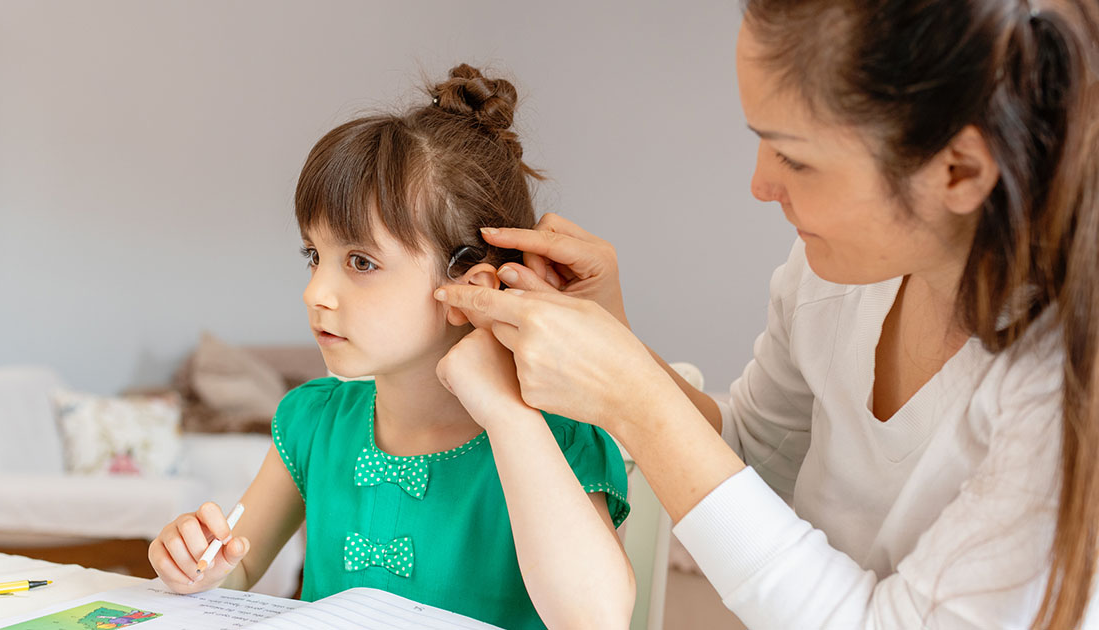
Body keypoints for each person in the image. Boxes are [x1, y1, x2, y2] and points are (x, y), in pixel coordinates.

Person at [434, 1, 1099, 628]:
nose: (760, 185)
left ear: (958, 171)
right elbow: (751, 462)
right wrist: (618, 348)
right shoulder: (837, 273)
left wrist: (633, 401)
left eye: (795, 157)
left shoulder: (1062, 393)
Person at [147, 64, 634, 630]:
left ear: (467, 293)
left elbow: (597, 619)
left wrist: (505, 412)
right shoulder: (313, 420)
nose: (315, 293)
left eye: (361, 262)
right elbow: (242, 563)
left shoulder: (562, 438)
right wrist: (197, 566)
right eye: (314, 256)